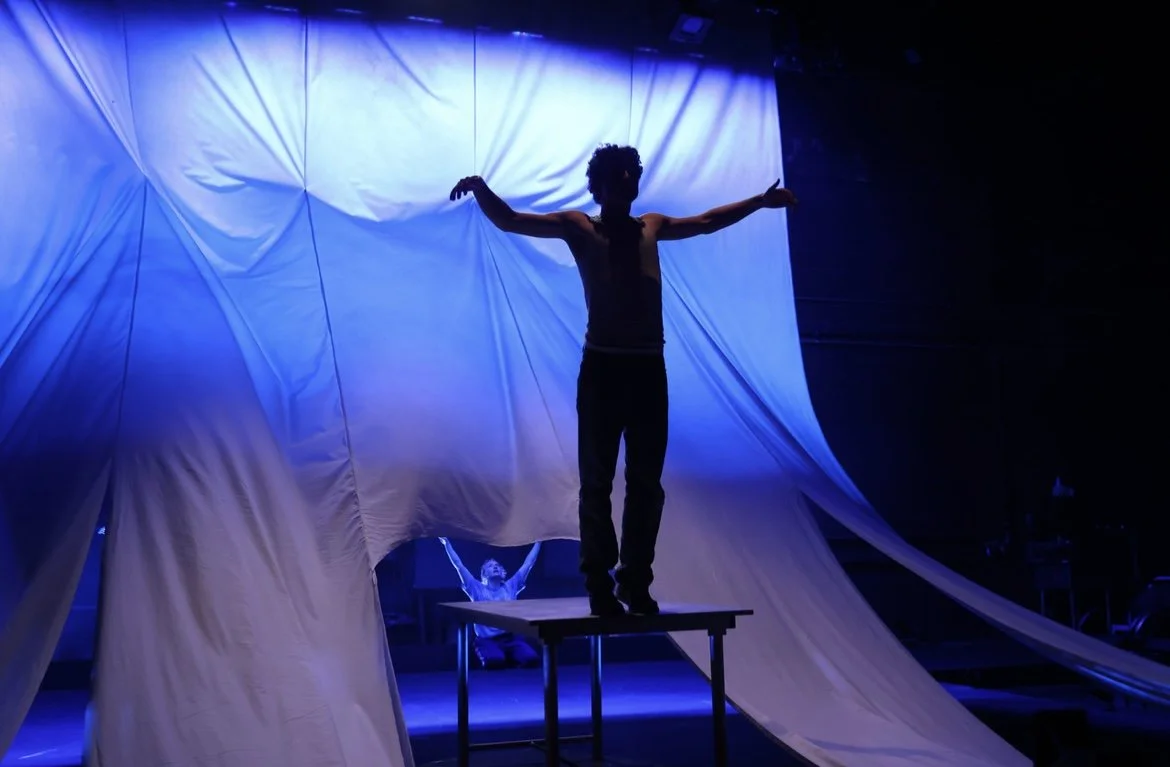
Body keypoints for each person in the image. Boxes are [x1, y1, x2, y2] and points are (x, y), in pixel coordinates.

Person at [449, 145, 797, 617]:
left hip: (647, 369)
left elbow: (708, 221)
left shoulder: (649, 227)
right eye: (619, 175)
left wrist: (758, 201)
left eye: (633, 174)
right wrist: (481, 190)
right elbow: (512, 221)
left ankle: (635, 582)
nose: (628, 182)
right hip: (603, 369)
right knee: (596, 483)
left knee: (646, 484)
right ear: (600, 185)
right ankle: (599, 585)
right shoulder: (580, 227)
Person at [437, 537, 542, 669]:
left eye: (497, 566)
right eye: (491, 566)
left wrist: (539, 541)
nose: (496, 567)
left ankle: (511, 654)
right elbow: (459, 565)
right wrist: (447, 544)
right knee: (495, 662)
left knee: (531, 660)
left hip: (511, 638)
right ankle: (497, 655)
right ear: (484, 574)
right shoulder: (476, 588)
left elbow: (529, 563)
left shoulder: (511, 586)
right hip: (487, 640)